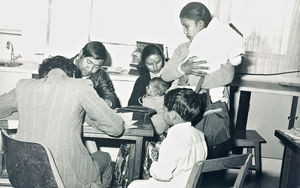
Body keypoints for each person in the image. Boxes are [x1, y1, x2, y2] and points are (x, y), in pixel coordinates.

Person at [0, 56, 125, 188]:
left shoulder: (23, 86)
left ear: (43, 75)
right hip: (67, 178)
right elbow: (116, 128)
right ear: (71, 74)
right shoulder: (80, 86)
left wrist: (22, 110)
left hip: (25, 175)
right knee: (104, 158)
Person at [153, 1, 244, 159]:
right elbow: (166, 74)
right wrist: (183, 69)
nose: (183, 31)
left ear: (201, 24)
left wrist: (189, 79)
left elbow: (226, 76)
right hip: (184, 115)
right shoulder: (183, 49)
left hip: (211, 115)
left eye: (186, 26)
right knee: (183, 158)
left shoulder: (220, 46)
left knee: (209, 159)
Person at [128, 88, 207, 188]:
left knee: (133, 185)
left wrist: (153, 166)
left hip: (172, 185)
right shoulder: (200, 135)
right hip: (189, 184)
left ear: (173, 115)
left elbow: (163, 175)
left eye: (164, 110)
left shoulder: (173, 139)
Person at [71, 41, 121, 109]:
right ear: (81, 54)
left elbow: (110, 96)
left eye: (96, 66)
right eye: (89, 62)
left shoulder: (101, 74)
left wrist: (107, 103)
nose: (90, 69)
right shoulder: (63, 68)